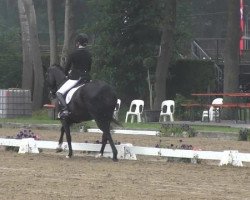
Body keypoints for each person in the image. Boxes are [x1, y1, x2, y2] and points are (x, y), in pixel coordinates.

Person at [56, 34, 92, 119]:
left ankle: (65, 110)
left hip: (75, 78)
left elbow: (66, 68)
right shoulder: (89, 54)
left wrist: (67, 73)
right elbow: (89, 68)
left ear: (78, 43)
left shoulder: (73, 53)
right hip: (87, 78)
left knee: (59, 93)